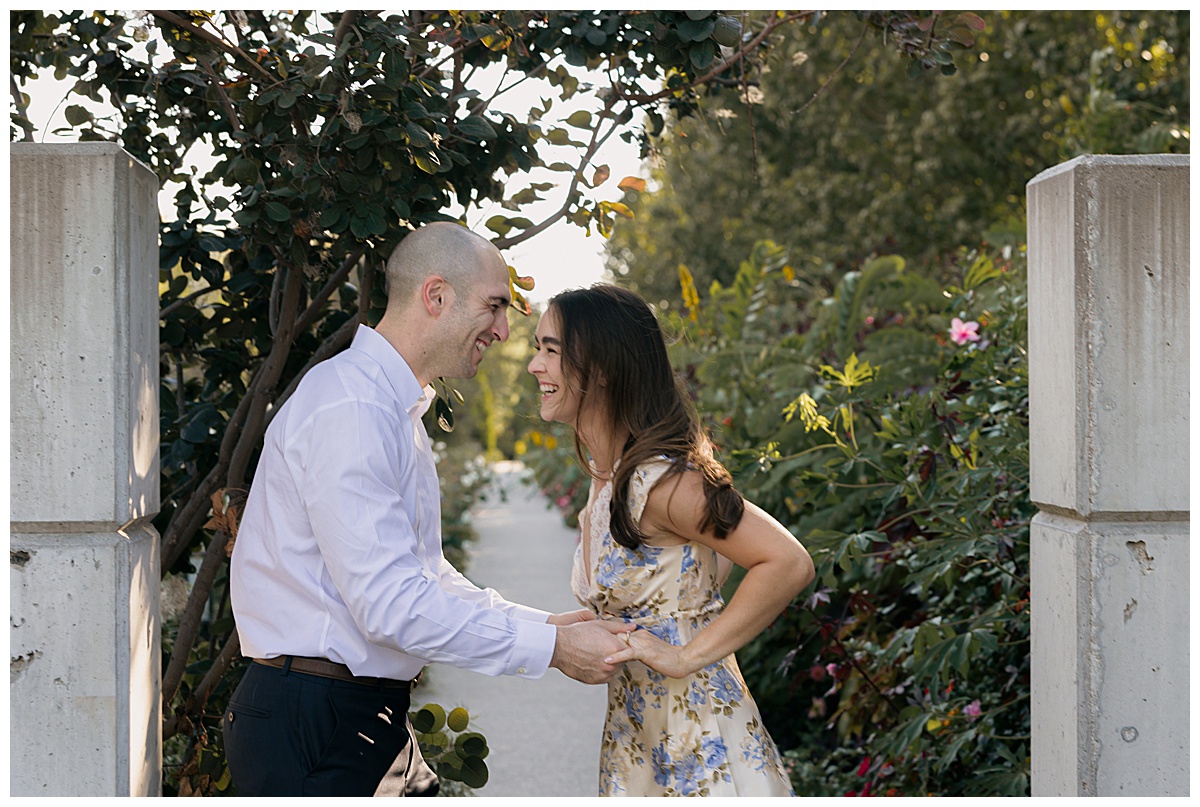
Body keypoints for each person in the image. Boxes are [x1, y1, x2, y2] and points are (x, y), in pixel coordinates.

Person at [223, 223, 630, 797]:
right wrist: (555, 650)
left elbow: (423, 575)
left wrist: (540, 625)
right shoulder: (353, 408)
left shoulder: (392, 408)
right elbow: (391, 606)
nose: (504, 329)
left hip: (360, 715)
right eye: (494, 306)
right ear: (436, 296)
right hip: (315, 724)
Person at [527, 283, 815, 797]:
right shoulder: (608, 479)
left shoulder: (663, 483)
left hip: (700, 742)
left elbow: (787, 562)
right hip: (635, 739)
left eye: (550, 349)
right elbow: (675, 585)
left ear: (603, 367)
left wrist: (685, 655)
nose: (534, 366)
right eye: (537, 348)